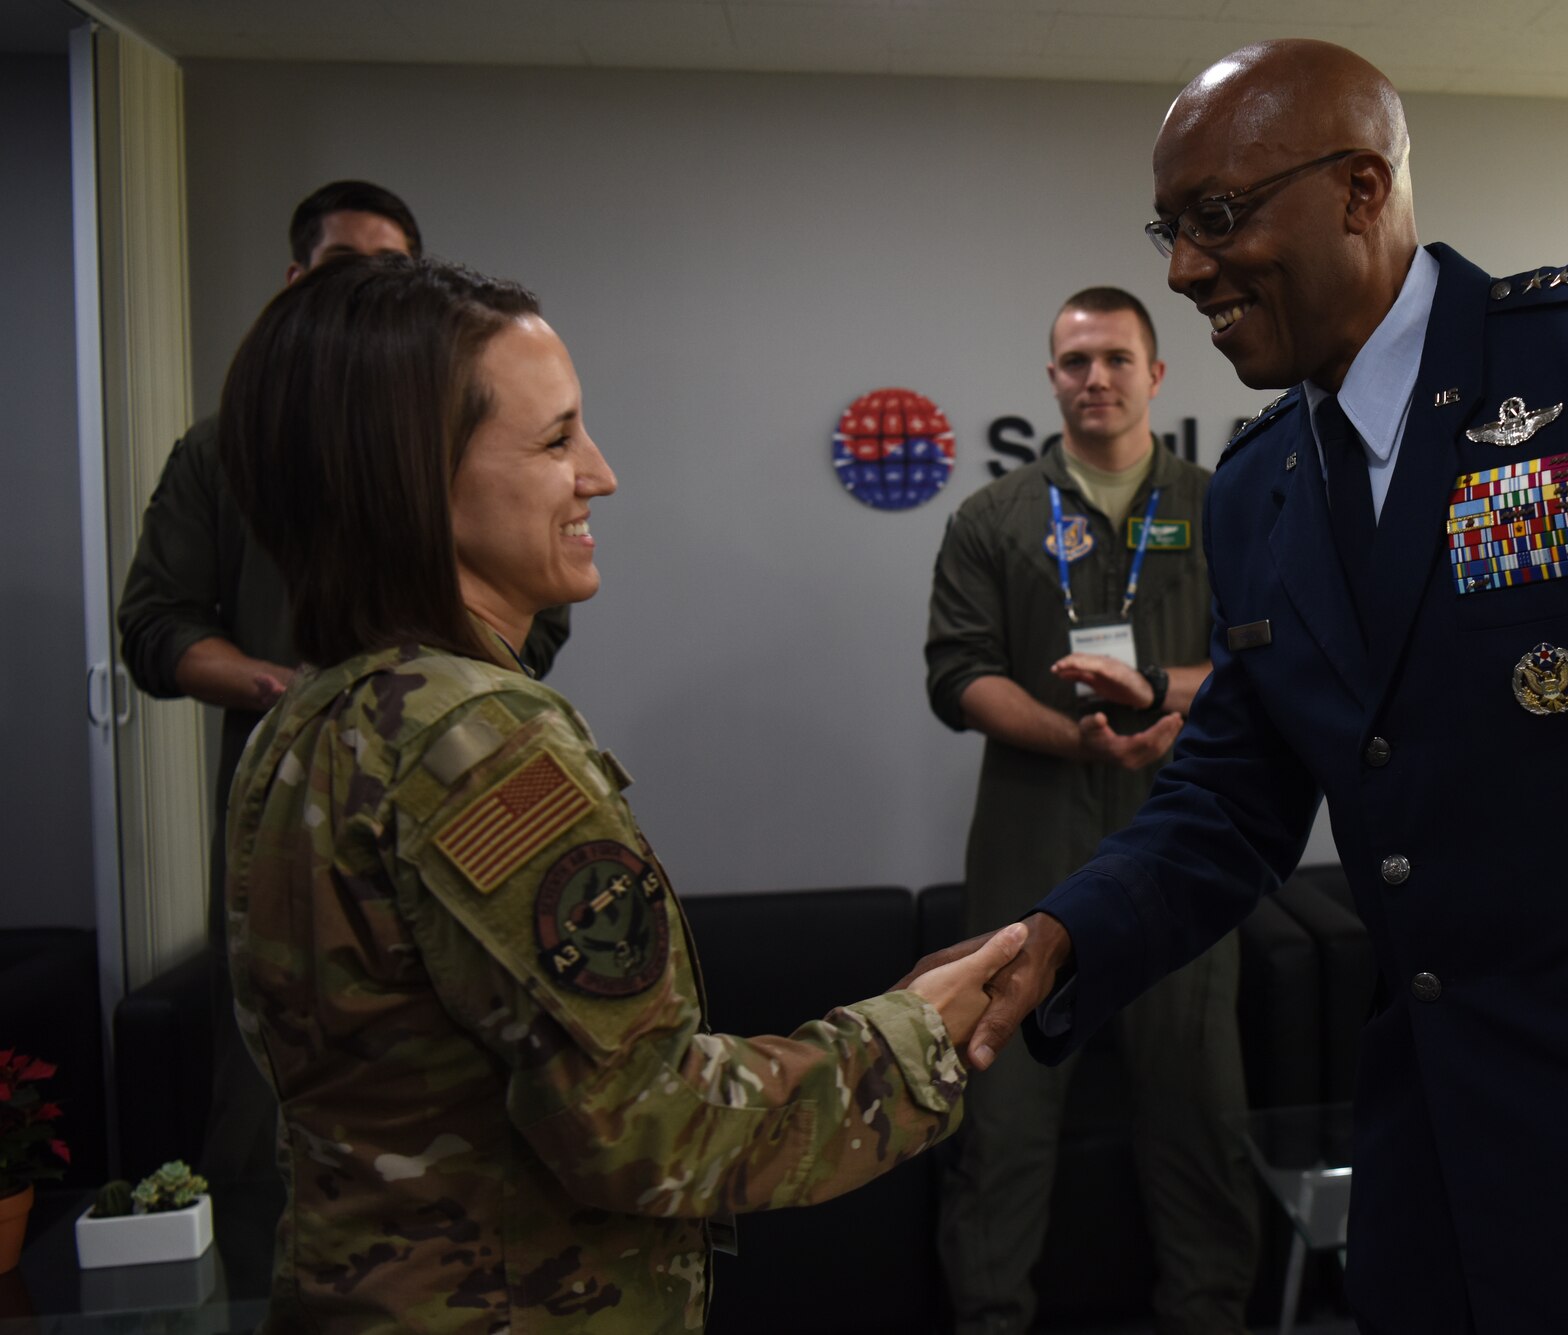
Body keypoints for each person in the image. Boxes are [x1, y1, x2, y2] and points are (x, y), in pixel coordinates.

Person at [912, 39, 1568, 1335]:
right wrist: (1053, 938)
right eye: (1169, 229)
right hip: (1432, 1164)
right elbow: (1230, 796)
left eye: (1216, 218)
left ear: (1358, 187)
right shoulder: (1260, 484)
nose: (1184, 271)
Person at [216, 253, 1026, 1333]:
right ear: (415, 476)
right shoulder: (482, 746)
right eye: (555, 440)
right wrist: (915, 1035)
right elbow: (647, 1126)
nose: (599, 473)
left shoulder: (305, 723)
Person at [117, 180, 572, 1184]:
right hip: (290, 810)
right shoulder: (227, 448)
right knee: (270, 1100)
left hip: (455, 799)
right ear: (295, 282)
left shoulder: (441, 442)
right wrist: (289, 690)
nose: (590, 476)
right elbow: (155, 628)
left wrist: (404, 698)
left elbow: (533, 620)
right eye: (343, 267)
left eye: (392, 270)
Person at [924, 287, 1259, 1334]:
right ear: (1051, 379)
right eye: (1074, 362)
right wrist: (1070, 736)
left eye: (1116, 358)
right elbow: (956, 676)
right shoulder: (993, 519)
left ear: (1155, 374)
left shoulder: (1223, 506)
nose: (1095, 379)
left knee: (1198, 1121)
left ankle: (1206, 1316)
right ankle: (988, 1318)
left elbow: (1269, 666)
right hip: (1031, 847)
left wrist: (1164, 700)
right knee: (1003, 1128)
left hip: (1182, 849)